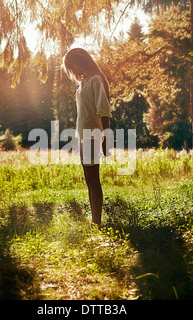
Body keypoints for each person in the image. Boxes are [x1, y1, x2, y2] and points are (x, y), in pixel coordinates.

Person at [62, 48, 112, 227]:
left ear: (81, 61)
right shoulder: (84, 83)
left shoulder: (96, 80)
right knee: (89, 180)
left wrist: (107, 138)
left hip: (93, 134)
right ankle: (95, 221)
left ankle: (96, 222)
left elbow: (104, 111)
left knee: (93, 179)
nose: (72, 71)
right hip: (83, 136)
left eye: (71, 65)